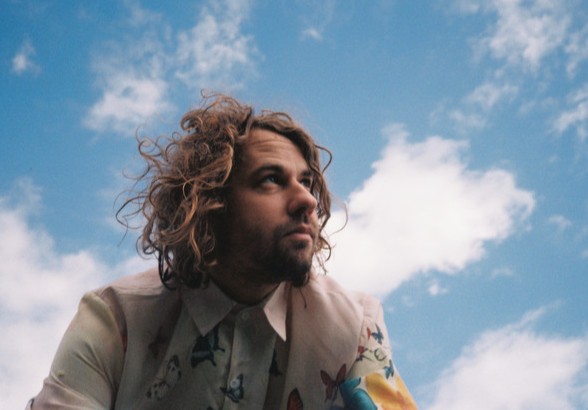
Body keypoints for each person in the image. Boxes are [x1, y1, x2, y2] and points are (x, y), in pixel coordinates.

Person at [29, 94, 417, 409]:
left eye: (306, 182)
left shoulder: (355, 328)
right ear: (208, 202)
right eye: (271, 179)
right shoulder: (115, 320)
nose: (307, 201)